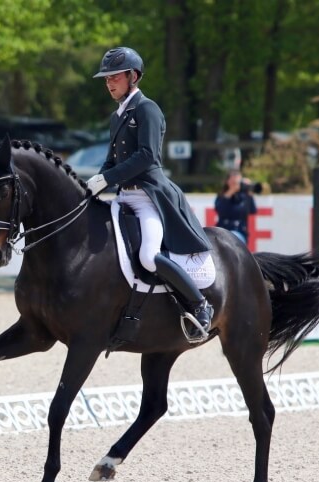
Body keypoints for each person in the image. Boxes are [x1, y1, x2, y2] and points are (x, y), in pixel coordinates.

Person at [85, 46, 214, 341]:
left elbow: (146, 156)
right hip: (122, 196)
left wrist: (108, 177)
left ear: (133, 76)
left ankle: (199, 304)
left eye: (114, 77)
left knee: (147, 256)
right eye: (106, 79)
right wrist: (96, 182)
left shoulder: (147, 109)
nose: (109, 83)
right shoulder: (117, 115)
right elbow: (112, 159)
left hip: (148, 197)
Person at [214, 169, 258, 244]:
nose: (236, 184)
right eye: (233, 182)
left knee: (234, 238)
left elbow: (253, 210)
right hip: (222, 231)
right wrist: (230, 192)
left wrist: (249, 192)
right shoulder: (222, 196)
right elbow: (220, 209)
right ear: (228, 182)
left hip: (239, 231)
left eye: (238, 182)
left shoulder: (245, 197)